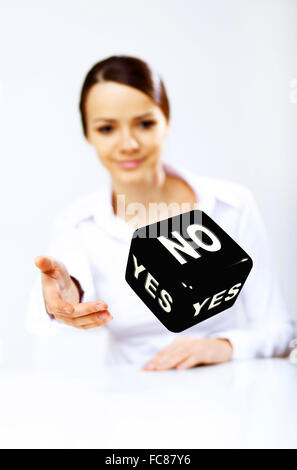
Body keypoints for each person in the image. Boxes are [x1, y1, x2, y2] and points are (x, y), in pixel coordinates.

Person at [26, 55, 295, 370]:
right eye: (107, 128)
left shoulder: (231, 205)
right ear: (88, 134)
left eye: (144, 123)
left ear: (166, 120)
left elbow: (280, 331)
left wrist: (223, 346)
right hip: (127, 401)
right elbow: (66, 290)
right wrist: (64, 293)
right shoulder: (80, 223)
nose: (128, 144)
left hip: (224, 395)